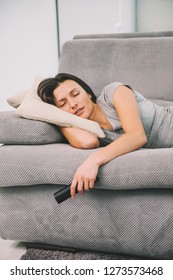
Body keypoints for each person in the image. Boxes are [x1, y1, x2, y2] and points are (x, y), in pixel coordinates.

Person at [37, 73, 173, 197]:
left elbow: (137, 136)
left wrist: (92, 161)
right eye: (63, 103)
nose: (73, 104)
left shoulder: (113, 92)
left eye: (75, 94)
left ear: (88, 93)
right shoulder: (89, 130)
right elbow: (88, 142)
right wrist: (58, 118)